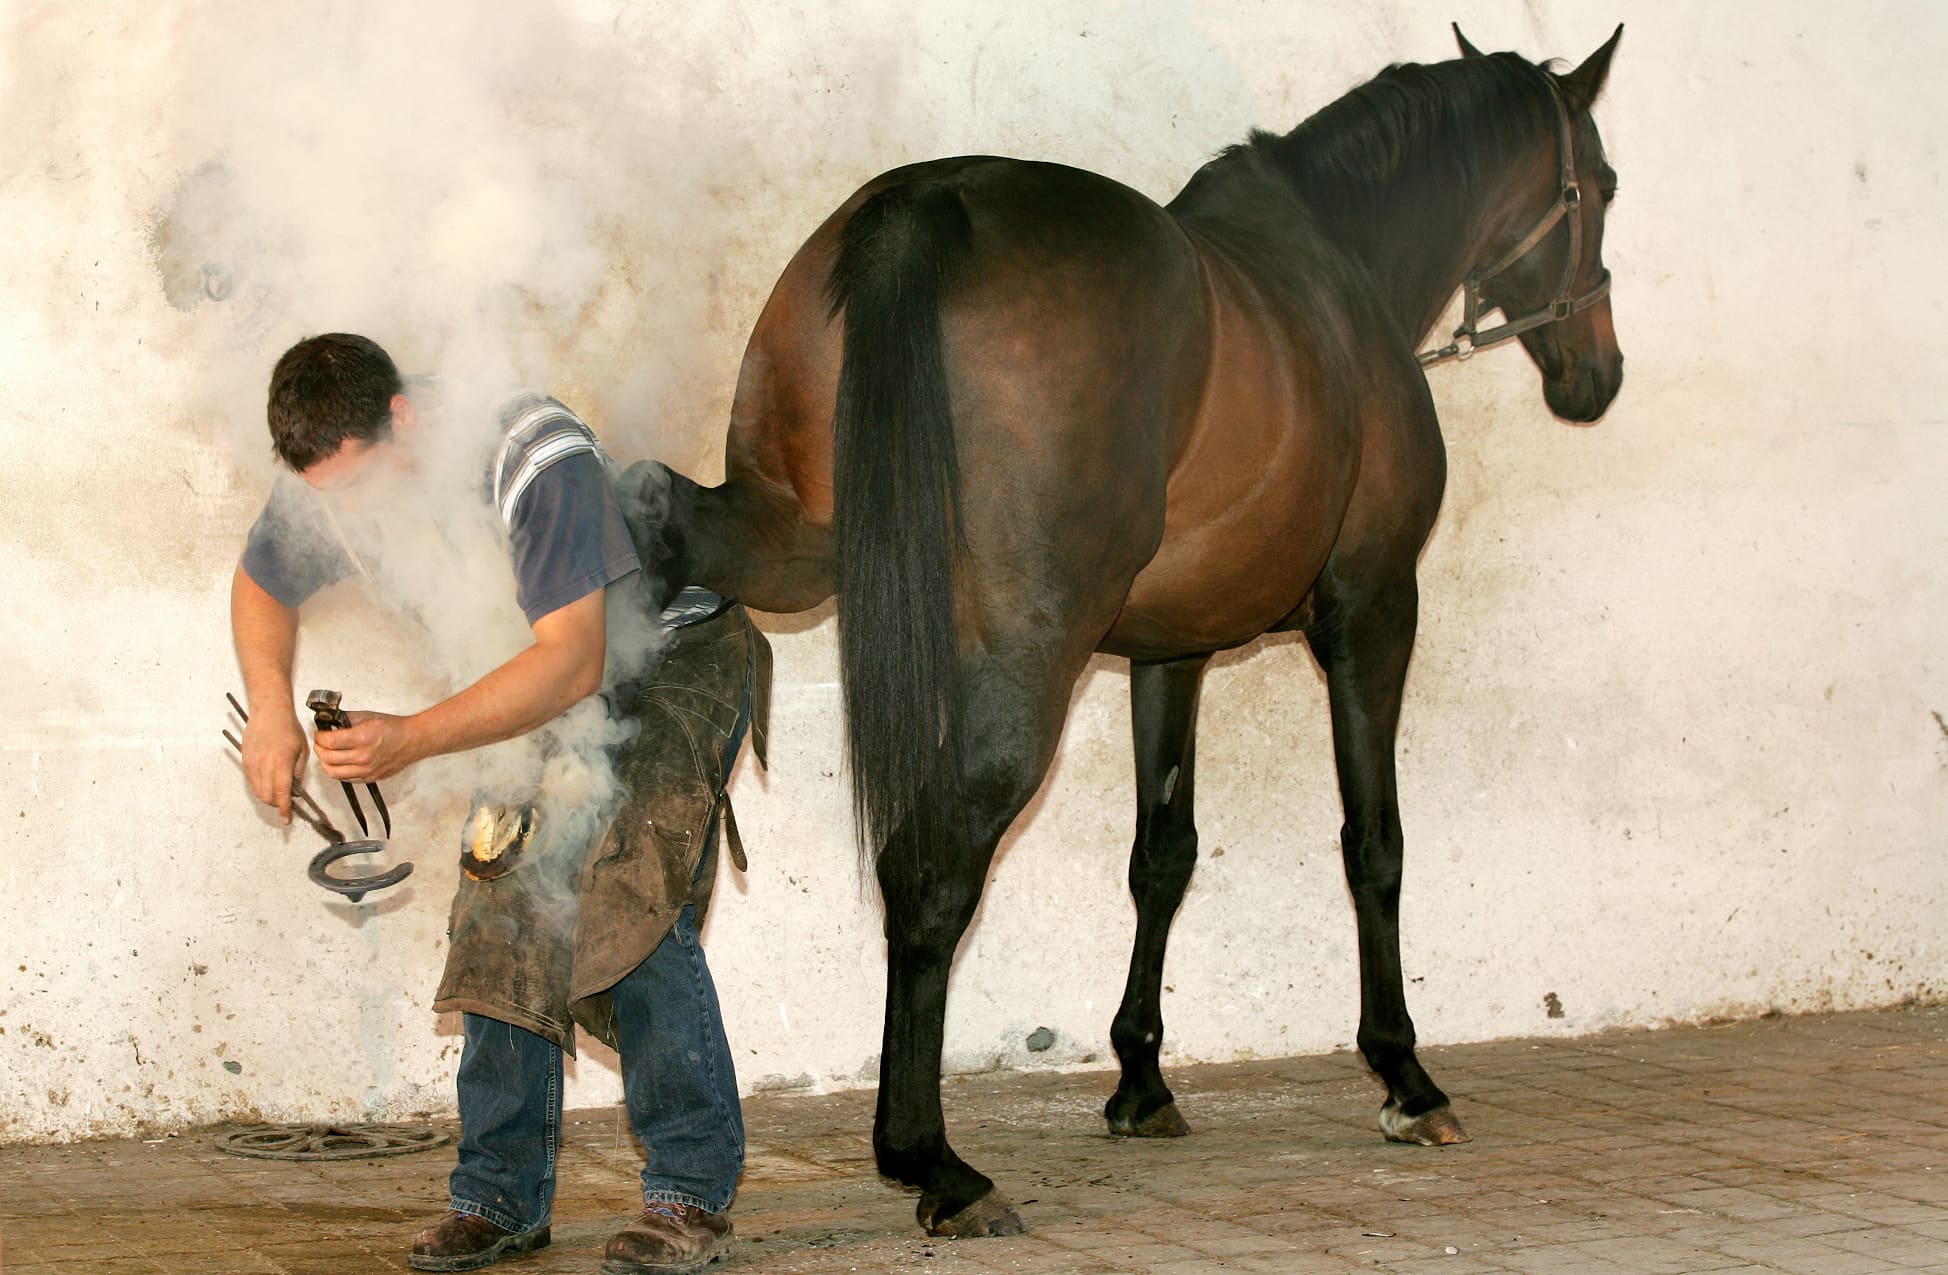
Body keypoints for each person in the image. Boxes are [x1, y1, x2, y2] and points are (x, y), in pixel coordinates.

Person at [231, 332, 765, 1273]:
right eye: (328, 497)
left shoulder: (533, 454)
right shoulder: (333, 472)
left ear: (403, 417)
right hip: (534, 678)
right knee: (499, 896)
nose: (346, 514)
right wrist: (270, 709)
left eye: (359, 485)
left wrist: (412, 736)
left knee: (627, 895)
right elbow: (261, 582)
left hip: (668, 657)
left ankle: (690, 1191)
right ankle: (499, 1199)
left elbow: (575, 660)